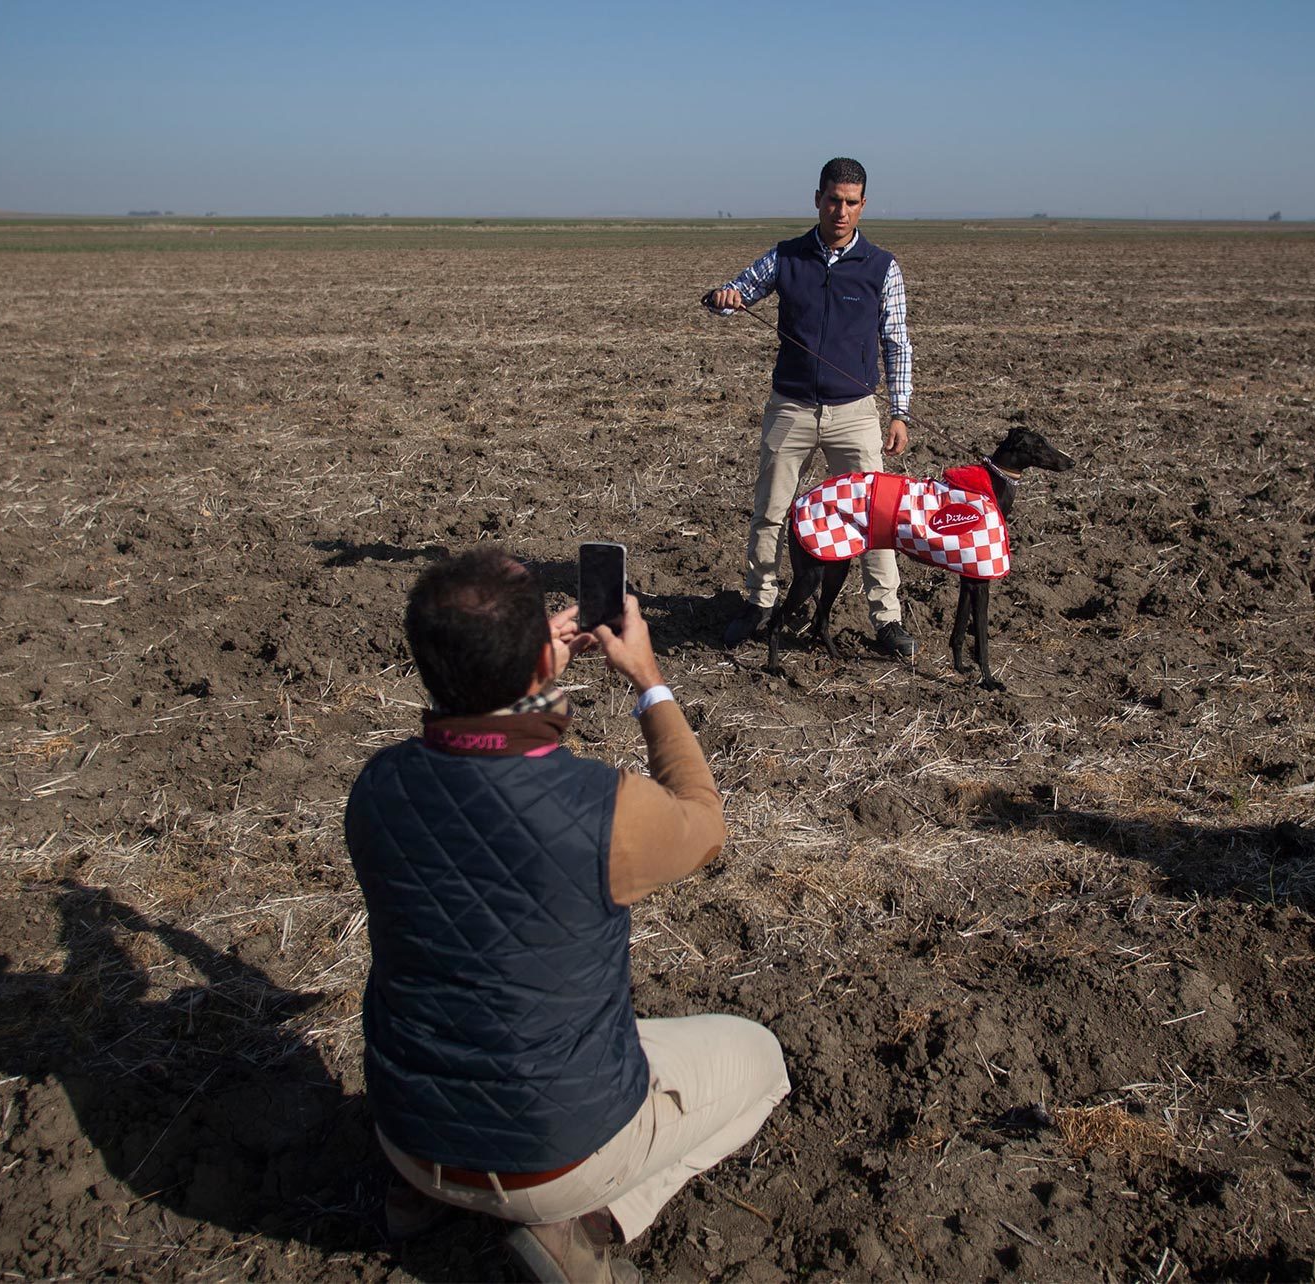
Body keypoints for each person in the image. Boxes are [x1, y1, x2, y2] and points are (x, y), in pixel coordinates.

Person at [345, 547, 789, 1284]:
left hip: (407, 1134)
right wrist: (648, 680)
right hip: (551, 1155)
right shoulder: (599, 808)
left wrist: (522, 671)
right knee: (762, 1061)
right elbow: (704, 822)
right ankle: (577, 1231)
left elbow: (479, 765)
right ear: (534, 666)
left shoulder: (376, 788)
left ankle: (422, 1199)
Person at [706, 156, 926, 658]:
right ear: (817, 199)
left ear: (863, 205)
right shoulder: (786, 257)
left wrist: (900, 412)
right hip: (792, 409)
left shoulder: (882, 267)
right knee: (771, 510)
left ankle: (886, 617)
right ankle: (761, 602)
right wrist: (725, 298)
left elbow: (897, 341)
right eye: (833, 200)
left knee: (875, 517)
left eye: (851, 203)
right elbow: (738, 291)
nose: (841, 211)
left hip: (855, 413)